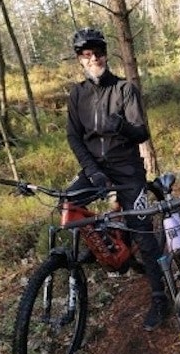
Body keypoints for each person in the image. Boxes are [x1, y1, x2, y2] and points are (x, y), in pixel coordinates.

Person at [66, 27, 169, 331]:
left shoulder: (124, 89)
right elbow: (74, 137)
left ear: (105, 54)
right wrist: (92, 170)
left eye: (97, 51)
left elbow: (142, 133)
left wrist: (122, 126)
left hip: (127, 168)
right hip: (94, 169)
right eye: (86, 54)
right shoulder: (77, 94)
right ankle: (101, 247)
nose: (93, 57)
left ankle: (160, 298)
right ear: (80, 60)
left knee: (143, 231)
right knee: (69, 204)